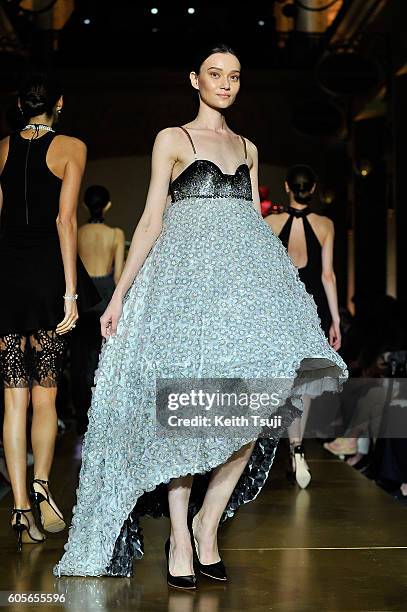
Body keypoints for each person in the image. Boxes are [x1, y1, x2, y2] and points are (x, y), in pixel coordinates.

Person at [53, 44, 347, 587]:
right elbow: (149, 221)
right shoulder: (174, 139)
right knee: (188, 414)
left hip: (241, 296)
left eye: (234, 76)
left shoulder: (248, 146)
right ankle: (181, 536)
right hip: (184, 294)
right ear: (195, 79)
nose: (226, 84)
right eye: (215, 74)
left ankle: (209, 522)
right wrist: (118, 296)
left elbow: (254, 230)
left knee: (249, 412)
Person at [0, 73, 99, 551]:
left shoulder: (0, 148)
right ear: (57, 104)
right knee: (46, 395)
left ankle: (19, 507)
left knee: (11, 399)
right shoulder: (71, 147)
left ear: (20, 106)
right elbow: (64, 219)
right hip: (45, 278)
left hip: (7, 279)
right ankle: (40, 486)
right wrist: (71, 293)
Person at [265, 165, 342, 489]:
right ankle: (298, 448)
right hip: (312, 310)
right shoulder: (325, 225)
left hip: (281, 310)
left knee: (282, 380)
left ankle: (279, 447)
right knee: (305, 381)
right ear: (312, 190)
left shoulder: (271, 223)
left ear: (287, 187)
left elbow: (264, 273)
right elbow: (327, 275)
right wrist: (337, 318)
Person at [70, 185, 125, 434]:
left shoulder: (77, 233)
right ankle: (101, 415)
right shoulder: (115, 234)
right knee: (103, 358)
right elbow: (119, 276)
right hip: (105, 297)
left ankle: (82, 415)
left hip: (81, 296)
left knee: (79, 358)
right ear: (108, 205)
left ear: (84, 205)